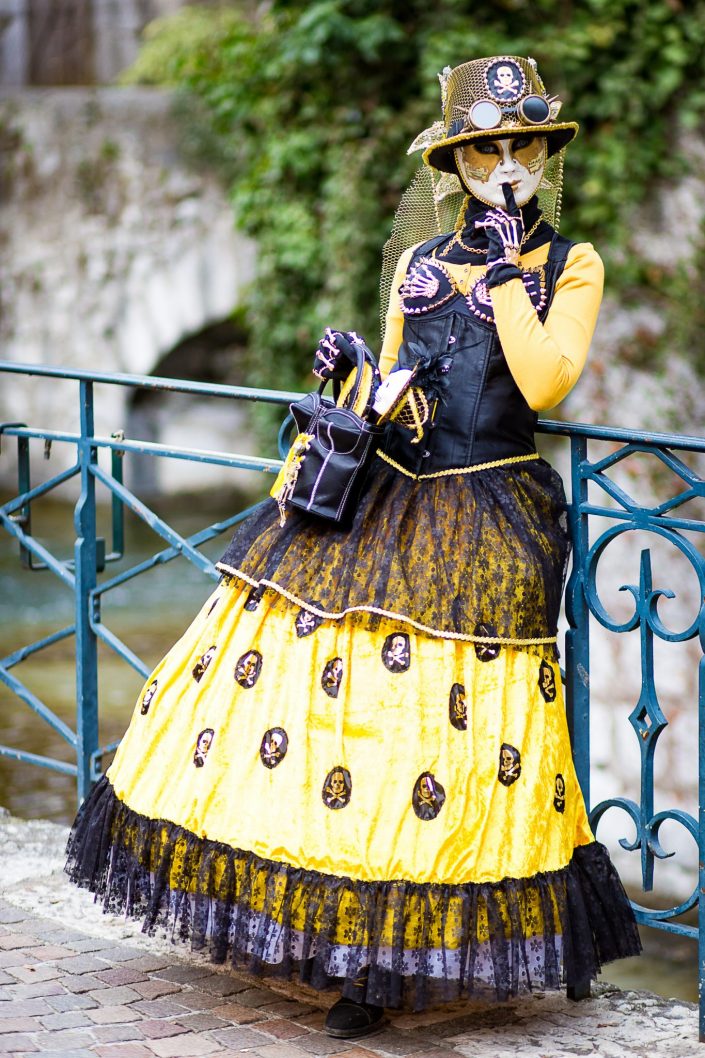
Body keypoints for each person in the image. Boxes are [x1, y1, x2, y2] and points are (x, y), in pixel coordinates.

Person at [66, 55, 641, 1040]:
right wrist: (358, 371)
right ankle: (361, 951)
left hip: (493, 509)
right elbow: (394, 402)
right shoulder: (418, 266)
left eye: (521, 145)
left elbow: (546, 381)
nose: (505, 163)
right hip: (397, 496)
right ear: (455, 164)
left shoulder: (568, 265)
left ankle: (479, 942)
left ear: (544, 155)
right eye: (484, 149)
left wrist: (508, 272)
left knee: (466, 735)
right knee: (354, 718)